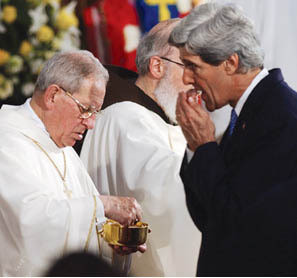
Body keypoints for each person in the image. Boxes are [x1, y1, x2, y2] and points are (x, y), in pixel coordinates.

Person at [80, 19, 229, 276]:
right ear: (157, 66)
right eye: (190, 66)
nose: (198, 81)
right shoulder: (123, 117)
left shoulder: (164, 119)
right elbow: (162, 194)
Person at [169, 2, 297, 276]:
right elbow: (208, 217)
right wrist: (195, 147)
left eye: (193, 66)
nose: (185, 77)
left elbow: (238, 225)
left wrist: (204, 147)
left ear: (230, 62)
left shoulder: (282, 118)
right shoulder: (252, 111)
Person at [0, 50, 145, 277]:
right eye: (86, 109)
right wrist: (103, 205)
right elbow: (29, 221)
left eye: (95, 113)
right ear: (53, 96)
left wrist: (112, 240)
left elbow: (78, 221)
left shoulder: (62, 146)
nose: (91, 124)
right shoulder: (7, 139)